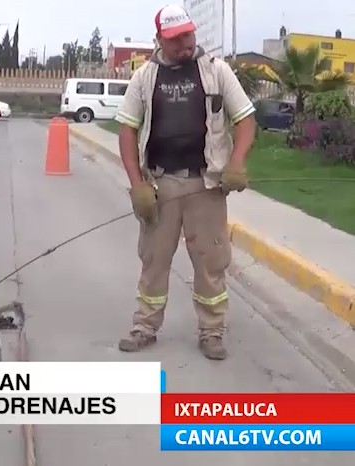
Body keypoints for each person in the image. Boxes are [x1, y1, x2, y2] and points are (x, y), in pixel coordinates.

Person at [113, 5, 256, 360]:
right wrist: (137, 185)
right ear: (159, 39)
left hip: (206, 187)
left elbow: (246, 119)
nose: (184, 44)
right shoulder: (145, 77)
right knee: (154, 260)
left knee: (211, 261)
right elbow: (128, 130)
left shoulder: (216, 71)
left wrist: (236, 163)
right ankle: (144, 326)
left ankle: (211, 332)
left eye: (188, 36)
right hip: (161, 186)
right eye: (175, 39)